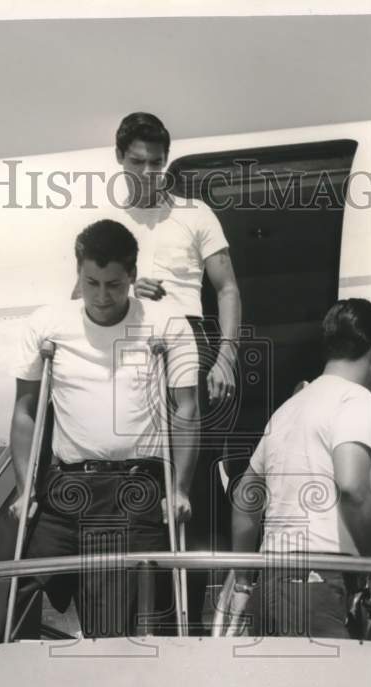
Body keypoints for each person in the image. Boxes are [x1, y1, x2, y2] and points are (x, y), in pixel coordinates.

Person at [10, 219, 199, 638]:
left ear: (132, 276)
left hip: (134, 487)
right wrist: (25, 488)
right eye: (91, 282)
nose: (101, 296)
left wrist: (180, 488)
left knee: (112, 617)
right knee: (21, 585)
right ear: (78, 273)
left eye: (113, 285)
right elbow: (25, 410)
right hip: (68, 487)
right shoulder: (48, 324)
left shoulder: (167, 323)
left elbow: (186, 409)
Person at [110, 111, 244, 629]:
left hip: (193, 335)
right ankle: (144, 616)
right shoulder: (107, 221)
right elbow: (81, 294)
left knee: (197, 478)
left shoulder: (194, 213)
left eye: (158, 163)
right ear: (120, 159)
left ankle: (202, 611)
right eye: (138, 162)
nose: (148, 172)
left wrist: (227, 355)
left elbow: (227, 288)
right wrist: (126, 288)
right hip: (134, 342)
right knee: (138, 471)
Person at [220, 298, 371, 638]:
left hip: (270, 581)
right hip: (319, 578)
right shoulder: (355, 399)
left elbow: (245, 499)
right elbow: (352, 487)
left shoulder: (288, 409)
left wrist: (243, 583)